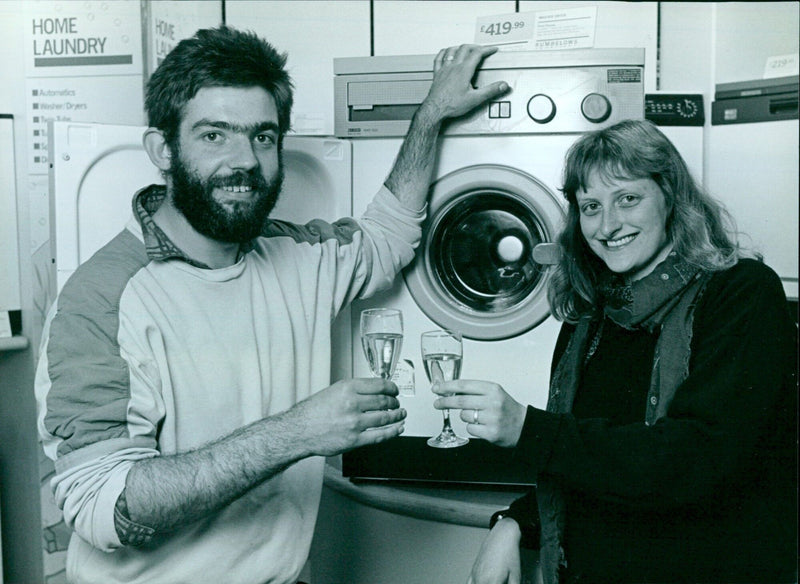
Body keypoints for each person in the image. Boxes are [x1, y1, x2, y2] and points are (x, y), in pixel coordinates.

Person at [35, 27, 508, 584]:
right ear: (162, 150)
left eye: (263, 137)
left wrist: (431, 115)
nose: (245, 162)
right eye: (214, 135)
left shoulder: (296, 256)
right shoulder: (103, 298)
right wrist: (298, 432)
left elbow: (388, 236)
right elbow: (106, 510)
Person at [435, 119, 798, 584]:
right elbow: (596, 458)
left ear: (670, 195)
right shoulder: (595, 309)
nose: (607, 226)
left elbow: (695, 459)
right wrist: (515, 522)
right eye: (590, 206)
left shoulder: (742, 293)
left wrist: (530, 429)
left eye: (627, 198)